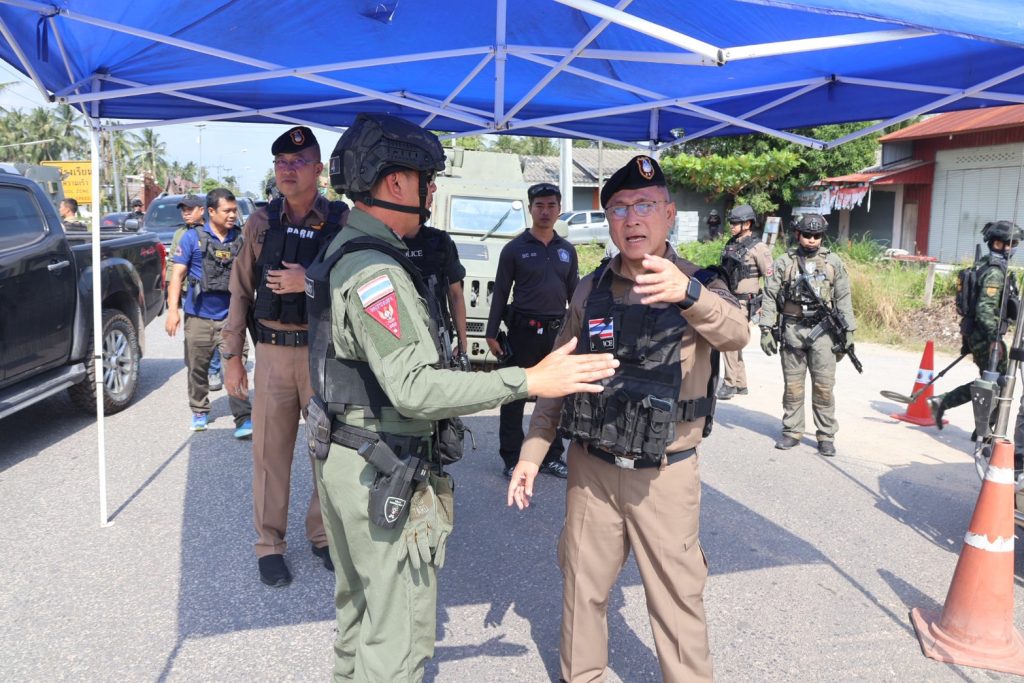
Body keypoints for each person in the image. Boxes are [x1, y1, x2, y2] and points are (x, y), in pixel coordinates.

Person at [306, 111, 617, 683]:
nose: (429, 196)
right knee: (396, 642)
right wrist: (528, 380)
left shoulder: (343, 250)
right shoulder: (376, 271)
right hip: (378, 462)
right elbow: (415, 387)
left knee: (358, 616)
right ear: (396, 183)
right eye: (426, 183)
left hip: (346, 455)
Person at [507, 154, 749, 683]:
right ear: (608, 220)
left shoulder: (700, 282)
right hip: (591, 469)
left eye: (644, 205)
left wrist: (688, 295)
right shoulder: (589, 288)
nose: (632, 219)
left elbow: (737, 333)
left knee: (677, 602)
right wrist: (532, 453)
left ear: (669, 214)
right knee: (582, 588)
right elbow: (557, 376)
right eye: (619, 208)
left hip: (664, 474)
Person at [222, 125, 349, 588]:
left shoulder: (342, 222)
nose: (287, 170)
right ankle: (269, 544)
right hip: (273, 353)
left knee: (327, 452)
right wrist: (232, 356)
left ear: (319, 170)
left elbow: (357, 284)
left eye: (298, 162)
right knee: (269, 457)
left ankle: (323, 534)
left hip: (322, 355)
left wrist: (307, 282)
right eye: (281, 163)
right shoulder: (261, 221)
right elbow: (240, 290)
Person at [486, 182, 579, 479]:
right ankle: (512, 458)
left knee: (554, 398)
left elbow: (575, 295)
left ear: (559, 209)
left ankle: (552, 456)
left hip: (556, 335)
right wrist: (490, 332)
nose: (545, 211)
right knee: (514, 395)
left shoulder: (567, 251)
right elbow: (501, 292)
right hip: (522, 333)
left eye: (551, 205)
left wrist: (579, 333)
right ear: (530, 209)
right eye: (539, 206)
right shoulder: (514, 249)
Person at [929, 220, 1024, 471]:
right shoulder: (994, 272)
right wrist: (994, 340)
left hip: (979, 335)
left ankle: (980, 428)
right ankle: (964, 417)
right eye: (1012, 243)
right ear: (999, 244)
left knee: (991, 383)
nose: (1014, 248)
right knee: (997, 384)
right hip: (987, 337)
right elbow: (984, 311)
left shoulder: (987, 265)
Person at [759, 213, 855, 457]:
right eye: (807, 235)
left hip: (824, 333)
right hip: (793, 331)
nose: (812, 240)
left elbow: (843, 297)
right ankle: (792, 431)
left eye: (817, 235)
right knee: (793, 386)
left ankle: (826, 435)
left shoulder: (833, 262)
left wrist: (849, 331)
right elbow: (769, 295)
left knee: (824, 387)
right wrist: (766, 328)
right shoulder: (784, 262)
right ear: (797, 234)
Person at [164, 188, 252, 435]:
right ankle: (199, 409)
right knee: (197, 368)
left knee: (236, 364)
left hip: (231, 319)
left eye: (234, 210)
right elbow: (177, 276)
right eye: (227, 211)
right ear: (211, 211)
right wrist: (173, 311)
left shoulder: (241, 239)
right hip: (198, 317)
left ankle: (243, 417)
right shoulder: (191, 238)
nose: (232, 215)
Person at [716, 204, 774, 400]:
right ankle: (740, 383)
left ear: (747, 224)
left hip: (745, 302)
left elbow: (771, 279)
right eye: (731, 223)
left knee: (729, 339)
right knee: (734, 340)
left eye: (735, 223)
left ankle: (730, 383)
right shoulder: (731, 244)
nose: (731, 226)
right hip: (729, 298)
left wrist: (767, 306)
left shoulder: (759, 248)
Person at [402, 223, 470, 367]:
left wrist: (462, 341)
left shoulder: (438, 240)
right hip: (401, 340)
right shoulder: (386, 239)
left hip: (437, 338)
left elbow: (455, 294)